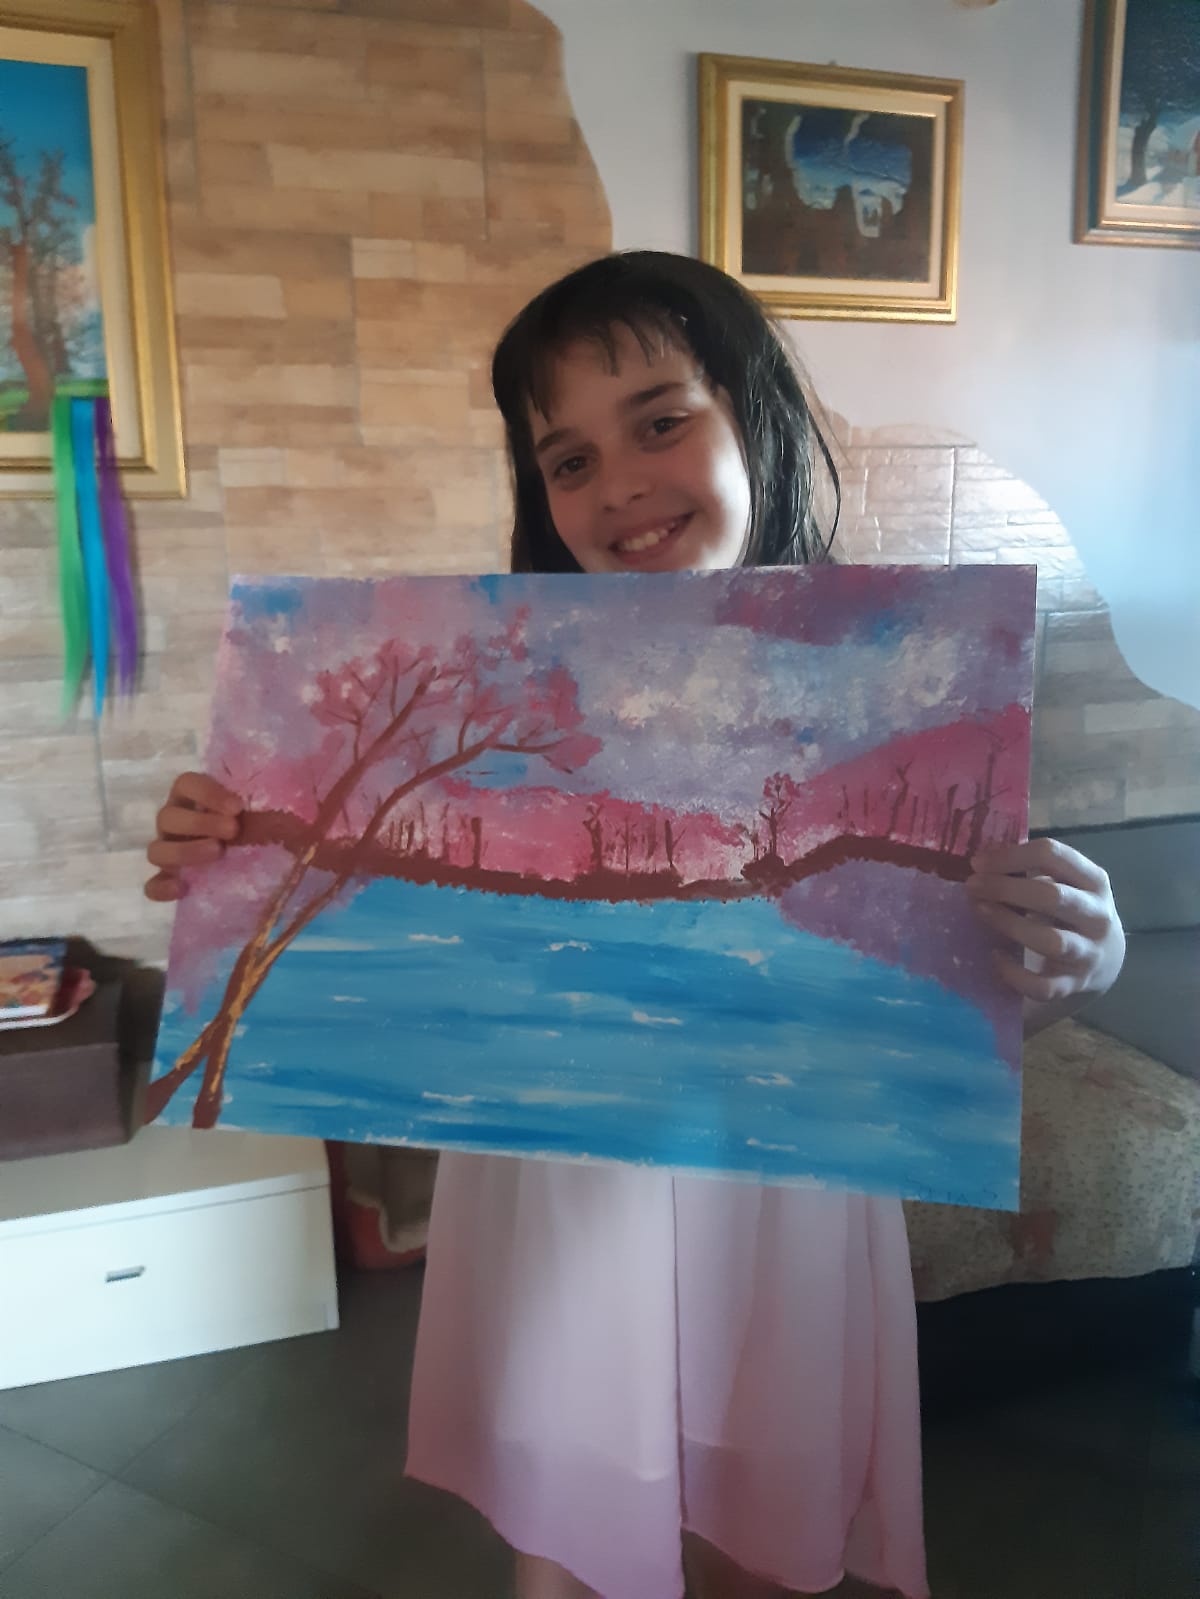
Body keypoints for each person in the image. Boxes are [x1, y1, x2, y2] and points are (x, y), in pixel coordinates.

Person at [144, 252, 1126, 1599]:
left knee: (764, 1537)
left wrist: (1075, 952)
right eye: (568, 459)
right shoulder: (487, 701)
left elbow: (980, 990)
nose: (618, 484)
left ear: (754, 419)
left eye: (661, 420)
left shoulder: (900, 682)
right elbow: (374, 955)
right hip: (561, 1197)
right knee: (570, 1537)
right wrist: (234, 856)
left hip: (784, 1206)